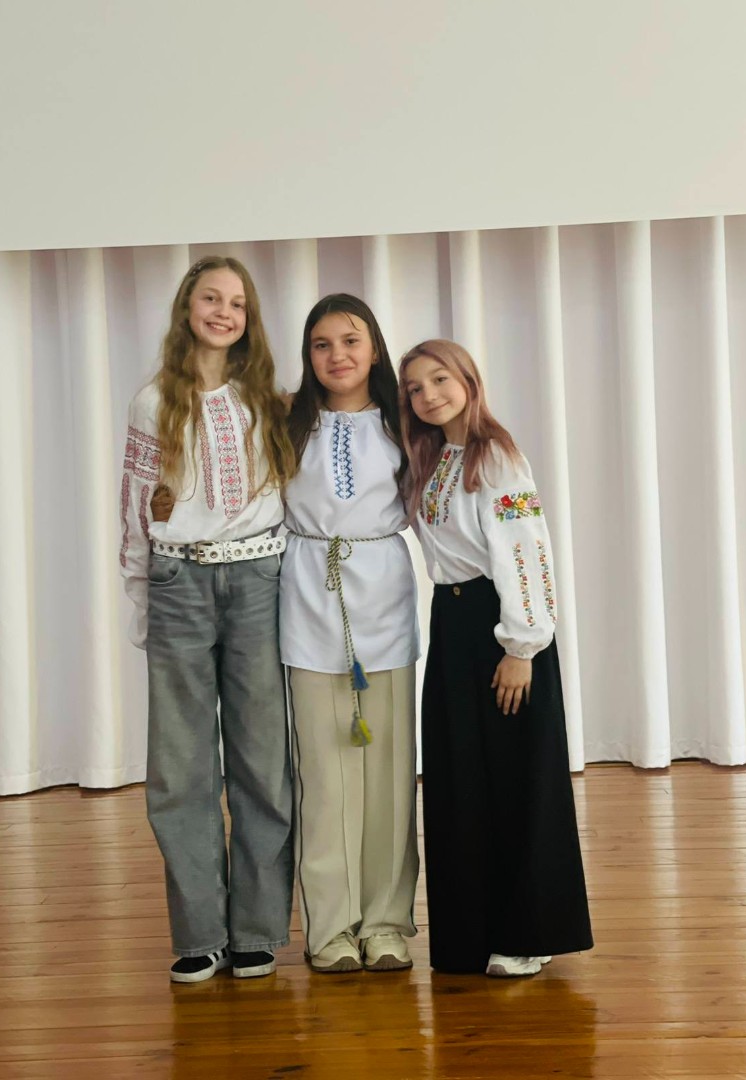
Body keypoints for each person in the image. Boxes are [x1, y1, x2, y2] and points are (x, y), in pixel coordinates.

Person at [120, 255, 296, 984]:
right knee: (181, 766)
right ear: (187, 308)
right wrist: (141, 596)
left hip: (258, 580)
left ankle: (256, 928)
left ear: (248, 319)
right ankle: (199, 933)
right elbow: (137, 504)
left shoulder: (268, 401)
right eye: (211, 299)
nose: (224, 312)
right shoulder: (153, 401)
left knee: (261, 760)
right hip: (179, 582)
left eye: (237, 303)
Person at [398, 339, 593, 977]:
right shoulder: (431, 460)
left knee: (516, 779)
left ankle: (528, 932)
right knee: (459, 776)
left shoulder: (497, 457)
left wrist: (522, 646)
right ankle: (469, 932)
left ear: (468, 379)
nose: (429, 395)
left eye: (439, 379)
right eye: (415, 388)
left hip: (500, 625)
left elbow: (526, 552)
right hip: (452, 623)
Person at [280, 294, 420, 973]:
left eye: (350, 340)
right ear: (308, 355)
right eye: (322, 343)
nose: (337, 355)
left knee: (389, 772)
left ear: (374, 348)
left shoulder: (404, 421)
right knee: (324, 773)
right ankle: (331, 928)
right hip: (308, 592)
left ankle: (387, 921)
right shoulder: (286, 421)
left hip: (384, 596)